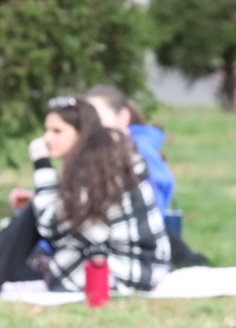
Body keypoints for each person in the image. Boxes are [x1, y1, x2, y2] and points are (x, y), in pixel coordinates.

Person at [2, 96, 171, 293]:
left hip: (124, 272)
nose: (46, 138)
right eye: (47, 130)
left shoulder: (100, 169)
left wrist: (42, 165)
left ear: (81, 134)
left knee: (32, 222)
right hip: (133, 266)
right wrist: (38, 198)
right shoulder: (106, 159)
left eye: (57, 131)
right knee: (25, 250)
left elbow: (53, 229)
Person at [85, 86, 209, 268]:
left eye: (98, 118)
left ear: (122, 117)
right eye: (86, 119)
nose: (91, 126)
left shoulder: (138, 151)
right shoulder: (100, 150)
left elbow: (149, 206)